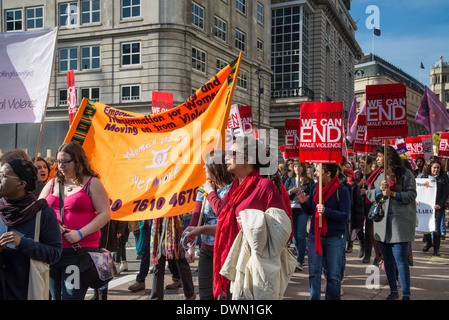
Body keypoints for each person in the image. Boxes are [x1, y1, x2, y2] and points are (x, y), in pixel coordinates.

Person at [203, 136, 290, 299]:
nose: (227, 157)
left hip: (253, 265)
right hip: (231, 259)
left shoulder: (265, 187)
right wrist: (199, 229)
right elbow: (224, 217)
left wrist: (255, 223)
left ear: (248, 159)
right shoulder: (235, 188)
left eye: (233, 153)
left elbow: (283, 230)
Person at [39, 141, 111, 300]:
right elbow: (38, 210)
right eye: (58, 162)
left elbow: (105, 214)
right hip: (53, 251)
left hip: (78, 252)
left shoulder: (92, 183)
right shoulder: (52, 184)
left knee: (71, 298)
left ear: (78, 161)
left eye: (66, 161)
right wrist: (52, 225)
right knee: (55, 297)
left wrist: (80, 233)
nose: (61, 166)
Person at [0, 158, 62, 300]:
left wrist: (22, 242)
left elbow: (54, 254)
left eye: (3, 175)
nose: (0, 178)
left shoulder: (42, 213)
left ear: (21, 184)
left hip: (28, 291)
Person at [366, 145, 417, 300]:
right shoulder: (377, 176)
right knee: (387, 259)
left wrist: (393, 193)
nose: (378, 159)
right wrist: (378, 192)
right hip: (382, 224)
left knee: (400, 259)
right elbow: (369, 194)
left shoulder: (405, 174)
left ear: (388, 157)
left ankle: (406, 293)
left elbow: (411, 194)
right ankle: (393, 291)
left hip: (399, 224)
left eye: (380, 156)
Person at [184, 149, 234, 300]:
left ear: (216, 167)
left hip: (228, 250)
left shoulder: (233, 189)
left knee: (228, 294)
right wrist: (190, 246)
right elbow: (196, 218)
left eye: (207, 165)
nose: (204, 168)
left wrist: (211, 192)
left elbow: (223, 213)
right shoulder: (203, 189)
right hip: (206, 249)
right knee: (206, 295)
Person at [296, 163, 350, 300]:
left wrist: (327, 211)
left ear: (328, 173)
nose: (315, 173)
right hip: (315, 236)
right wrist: (303, 203)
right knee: (314, 274)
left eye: (318, 171)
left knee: (333, 276)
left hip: (334, 238)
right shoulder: (315, 188)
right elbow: (310, 210)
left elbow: (344, 216)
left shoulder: (342, 190)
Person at [149, 216, 196, 300]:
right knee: (157, 264)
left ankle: (190, 294)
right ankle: (156, 297)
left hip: (175, 227)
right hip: (158, 227)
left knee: (182, 262)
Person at [418, 159, 449, 256]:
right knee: (425, 226)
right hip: (426, 207)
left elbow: (445, 193)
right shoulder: (424, 178)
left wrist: (440, 204)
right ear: (430, 168)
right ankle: (428, 243)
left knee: (437, 229)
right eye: (434, 168)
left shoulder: (443, 179)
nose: (436, 170)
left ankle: (436, 249)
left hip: (438, 207)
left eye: (438, 168)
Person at [287, 161, 314, 271]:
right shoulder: (290, 180)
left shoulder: (309, 181)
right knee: (294, 236)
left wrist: (305, 196)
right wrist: (291, 191)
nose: (297, 168)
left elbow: (312, 194)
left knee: (301, 235)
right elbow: (284, 193)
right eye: (295, 166)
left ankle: (300, 259)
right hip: (292, 209)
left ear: (303, 168)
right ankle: (298, 255)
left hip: (302, 210)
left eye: (299, 166)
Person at [354, 155, 374, 263]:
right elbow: (352, 188)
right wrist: (359, 185)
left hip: (369, 204)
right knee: (358, 228)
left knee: (368, 231)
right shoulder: (357, 174)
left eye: (364, 162)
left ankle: (367, 254)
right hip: (359, 204)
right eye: (360, 162)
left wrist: (367, 191)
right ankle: (361, 244)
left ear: (370, 164)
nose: (361, 164)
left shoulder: (373, 175)